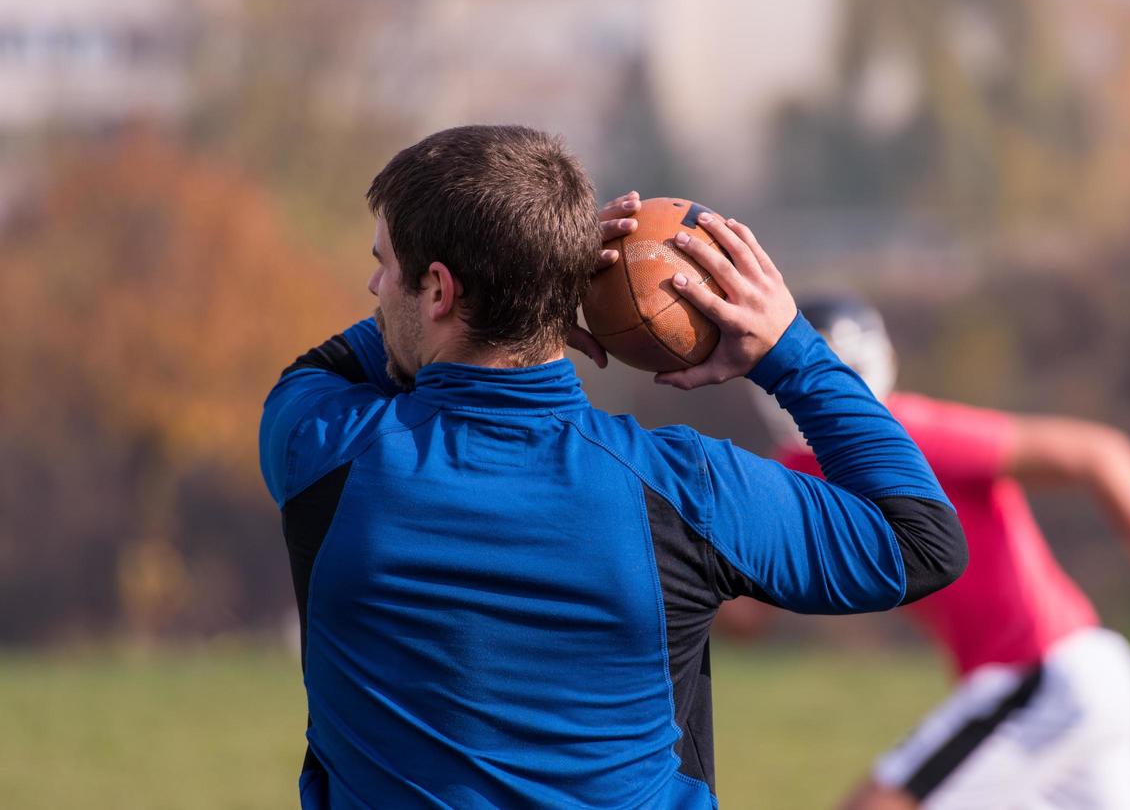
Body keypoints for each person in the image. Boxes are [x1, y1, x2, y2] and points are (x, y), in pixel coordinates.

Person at [257, 125, 966, 808]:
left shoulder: (320, 449)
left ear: (440, 291)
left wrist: (526, 279)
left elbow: (327, 368)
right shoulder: (683, 490)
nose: (375, 286)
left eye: (385, 263)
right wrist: (791, 351)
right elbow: (922, 542)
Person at [741, 294, 1130, 810]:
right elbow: (747, 618)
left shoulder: (904, 435)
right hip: (1071, 678)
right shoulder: (798, 467)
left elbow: (1101, 454)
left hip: (1046, 673)